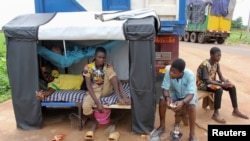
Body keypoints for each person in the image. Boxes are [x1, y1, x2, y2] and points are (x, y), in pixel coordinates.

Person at [81, 46, 131, 139]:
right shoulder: (88, 67)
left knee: (110, 70)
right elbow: (88, 86)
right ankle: (95, 121)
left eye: (103, 58)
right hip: (94, 90)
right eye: (99, 57)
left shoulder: (108, 66)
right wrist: (98, 103)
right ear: (95, 56)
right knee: (86, 108)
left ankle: (118, 97)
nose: (101, 60)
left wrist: (124, 96)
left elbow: (117, 81)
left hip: (106, 89)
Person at [196, 46, 249, 124]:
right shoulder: (205, 64)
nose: (219, 57)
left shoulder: (216, 63)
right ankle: (216, 113)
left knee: (232, 86)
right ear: (211, 55)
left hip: (212, 82)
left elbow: (221, 77)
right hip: (203, 84)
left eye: (220, 55)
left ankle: (235, 110)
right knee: (219, 89)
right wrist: (221, 85)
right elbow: (207, 80)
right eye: (217, 55)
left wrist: (225, 82)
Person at [152, 58, 198, 141]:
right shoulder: (168, 71)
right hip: (175, 93)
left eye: (175, 72)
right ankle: (162, 126)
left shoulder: (190, 75)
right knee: (162, 100)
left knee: (191, 107)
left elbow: (191, 94)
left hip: (187, 96)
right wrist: (167, 98)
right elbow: (165, 89)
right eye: (171, 71)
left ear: (181, 73)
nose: (171, 74)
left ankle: (192, 134)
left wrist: (182, 102)